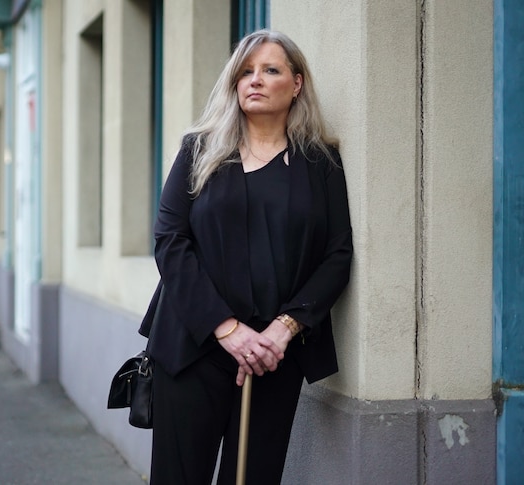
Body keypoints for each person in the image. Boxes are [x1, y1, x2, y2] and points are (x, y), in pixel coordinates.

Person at [139, 30, 353, 484]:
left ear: (296, 84)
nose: (254, 81)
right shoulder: (199, 150)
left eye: (270, 70)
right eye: (245, 72)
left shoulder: (321, 164)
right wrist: (228, 330)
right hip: (193, 349)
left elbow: (337, 255)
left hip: (275, 356)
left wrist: (282, 330)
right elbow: (170, 240)